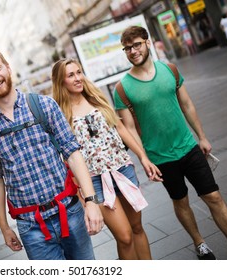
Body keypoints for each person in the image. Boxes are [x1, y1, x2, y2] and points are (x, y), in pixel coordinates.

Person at [114, 25, 227, 260]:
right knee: (180, 201)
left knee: (213, 196)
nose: (133, 51)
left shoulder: (170, 70)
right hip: (160, 156)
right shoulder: (122, 88)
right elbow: (129, 129)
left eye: (136, 45)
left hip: (188, 147)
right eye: (127, 48)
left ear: (147, 42)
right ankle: (199, 242)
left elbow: (187, 104)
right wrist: (144, 159)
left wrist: (201, 137)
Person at [0, 46, 104, 260]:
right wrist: (4, 226)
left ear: (8, 68)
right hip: (31, 227)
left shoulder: (43, 105)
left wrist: (90, 201)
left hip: (70, 212)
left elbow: (72, 152)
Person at [51, 58, 162, 260]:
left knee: (137, 228)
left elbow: (119, 127)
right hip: (95, 182)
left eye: (79, 72)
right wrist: (81, 194)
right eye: (71, 75)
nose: (78, 78)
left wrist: (142, 157)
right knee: (125, 237)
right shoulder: (59, 114)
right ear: (61, 82)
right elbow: (66, 159)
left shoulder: (95, 97)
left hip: (122, 170)